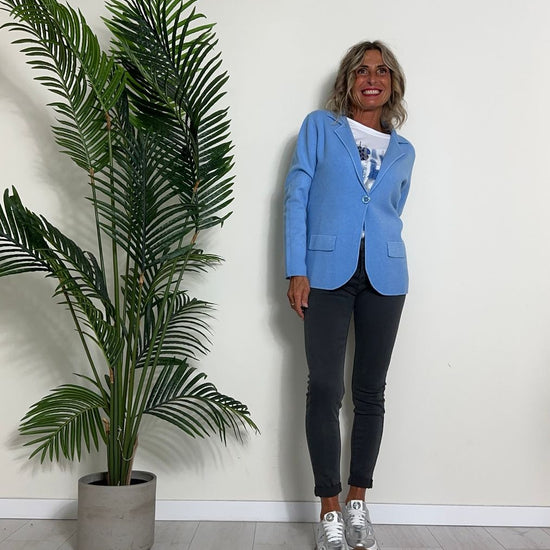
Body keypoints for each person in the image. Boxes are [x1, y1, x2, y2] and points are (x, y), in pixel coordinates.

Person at [284, 40, 415, 550]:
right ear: (348, 80)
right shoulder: (321, 127)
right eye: (362, 70)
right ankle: (329, 509)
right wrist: (297, 269)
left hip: (386, 275)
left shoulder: (404, 150)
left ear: (392, 83)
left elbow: (392, 209)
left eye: (382, 71)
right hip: (325, 272)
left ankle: (359, 501)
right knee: (323, 388)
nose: (372, 78)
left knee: (370, 392)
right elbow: (296, 196)